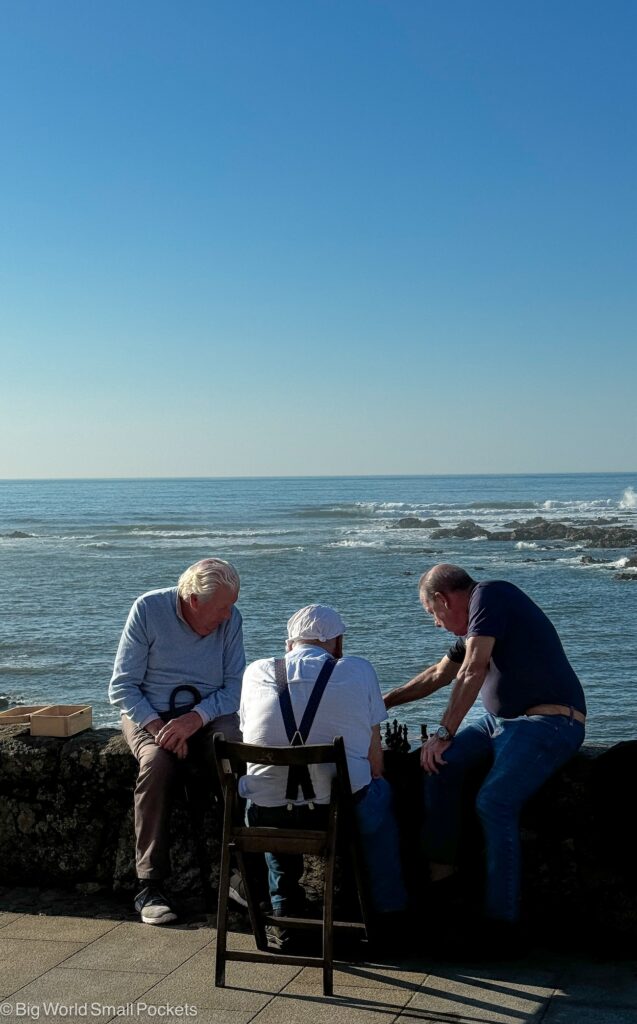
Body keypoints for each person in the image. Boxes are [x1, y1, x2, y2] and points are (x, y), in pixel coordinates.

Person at [384, 563, 586, 945]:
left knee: (494, 802)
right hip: (499, 723)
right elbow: (438, 674)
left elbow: (472, 670)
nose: (436, 624)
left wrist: (443, 732)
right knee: (437, 767)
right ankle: (443, 885)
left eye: (433, 614)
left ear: (443, 599)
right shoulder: (480, 625)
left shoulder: (491, 594)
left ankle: (501, 925)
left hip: (550, 723)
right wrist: (382, 703)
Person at [239, 604, 407, 949]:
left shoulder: (255, 672)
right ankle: (386, 916)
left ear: (289, 644)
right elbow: (376, 763)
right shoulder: (358, 670)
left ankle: (285, 916)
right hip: (340, 815)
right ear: (338, 644)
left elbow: (249, 734)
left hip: (267, 820)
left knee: (274, 798)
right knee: (381, 795)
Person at [109, 557, 245, 925]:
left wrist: (192, 719)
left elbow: (234, 689)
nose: (228, 616)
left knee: (233, 750)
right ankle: (149, 885)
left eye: (231, 606)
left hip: (205, 713)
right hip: (149, 713)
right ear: (193, 599)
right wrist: (160, 729)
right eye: (221, 608)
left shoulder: (231, 619)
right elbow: (123, 687)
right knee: (157, 765)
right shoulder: (149, 609)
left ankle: (242, 872)